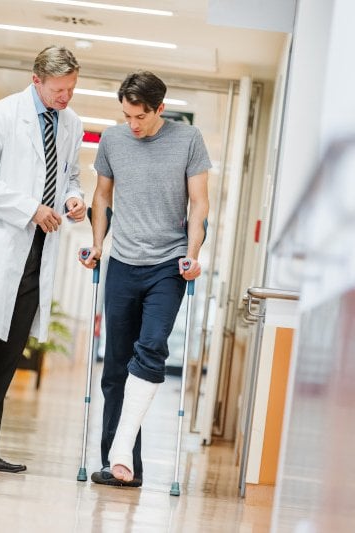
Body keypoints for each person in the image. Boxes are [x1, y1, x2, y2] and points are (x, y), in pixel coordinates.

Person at [0, 45, 86, 474]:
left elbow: (71, 177)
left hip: (36, 253)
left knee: (9, 355)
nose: (66, 97)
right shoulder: (1, 115)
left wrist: (74, 199)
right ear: (36, 79)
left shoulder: (72, 124)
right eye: (59, 89)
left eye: (71, 89)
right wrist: (30, 208)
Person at [80, 70, 210, 487]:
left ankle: (120, 456)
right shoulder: (114, 141)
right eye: (127, 115)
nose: (133, 124)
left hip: (167, 266)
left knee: (151, 348)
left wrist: (192, 255)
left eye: (141, 116)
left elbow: (199, 204)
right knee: (115, 367)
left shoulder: (189, 140)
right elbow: (102, 195)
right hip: (122, 263)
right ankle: (120, 464)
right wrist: (98, 244)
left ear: (160, 109)